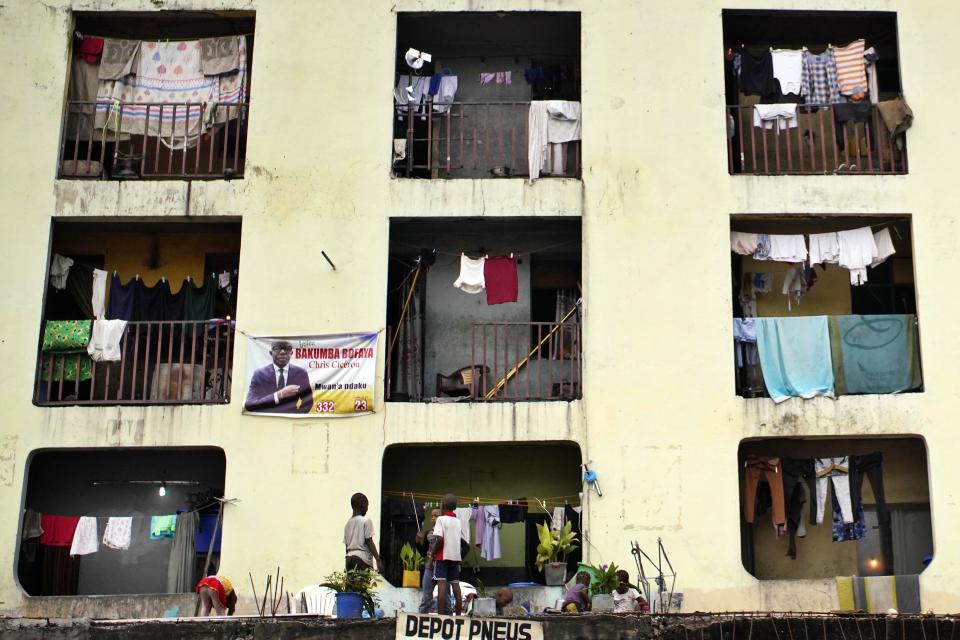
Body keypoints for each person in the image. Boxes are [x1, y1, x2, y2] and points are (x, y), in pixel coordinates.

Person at [244, 339, 313, 413]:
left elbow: (308, 402)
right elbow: (249, 405)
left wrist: (295, 416)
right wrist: (279, 394)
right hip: (266, 421)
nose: (282, 352)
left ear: (291, 353)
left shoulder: (301, 373)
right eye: (277, 348)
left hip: (290, 422)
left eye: (287, 348)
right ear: (271, 353)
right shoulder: (259, 374)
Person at [427, 493, 463, 615]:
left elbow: (440, 539)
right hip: (455, 558)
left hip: (442, 556)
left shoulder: (441, 520)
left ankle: (441, 617)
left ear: (443, 505)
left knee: (441, 585)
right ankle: (458, 616)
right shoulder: (458, 521)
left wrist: (432, 553)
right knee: (456, 587)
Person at [416, 508, 451, 613]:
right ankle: (421, 618)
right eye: (432, 516)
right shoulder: (428, 533)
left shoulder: (448, 532)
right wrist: (417, 542)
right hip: (430, 568)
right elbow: (423, 553)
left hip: (444, 568)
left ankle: (449, 620)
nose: (433, 518)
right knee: (426, 597)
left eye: (436, 516)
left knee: (446, 598)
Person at [343, 492, 384, 572]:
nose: (367, 508)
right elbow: (369, 541)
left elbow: (347, 546)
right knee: (362, 584)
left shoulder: (347, 524)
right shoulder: (366, 521)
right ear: (362, 505)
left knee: (351, 584)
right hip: (361, 560)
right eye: (367, 505)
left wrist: (347, 563)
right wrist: (378, 560)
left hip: (349, 558)